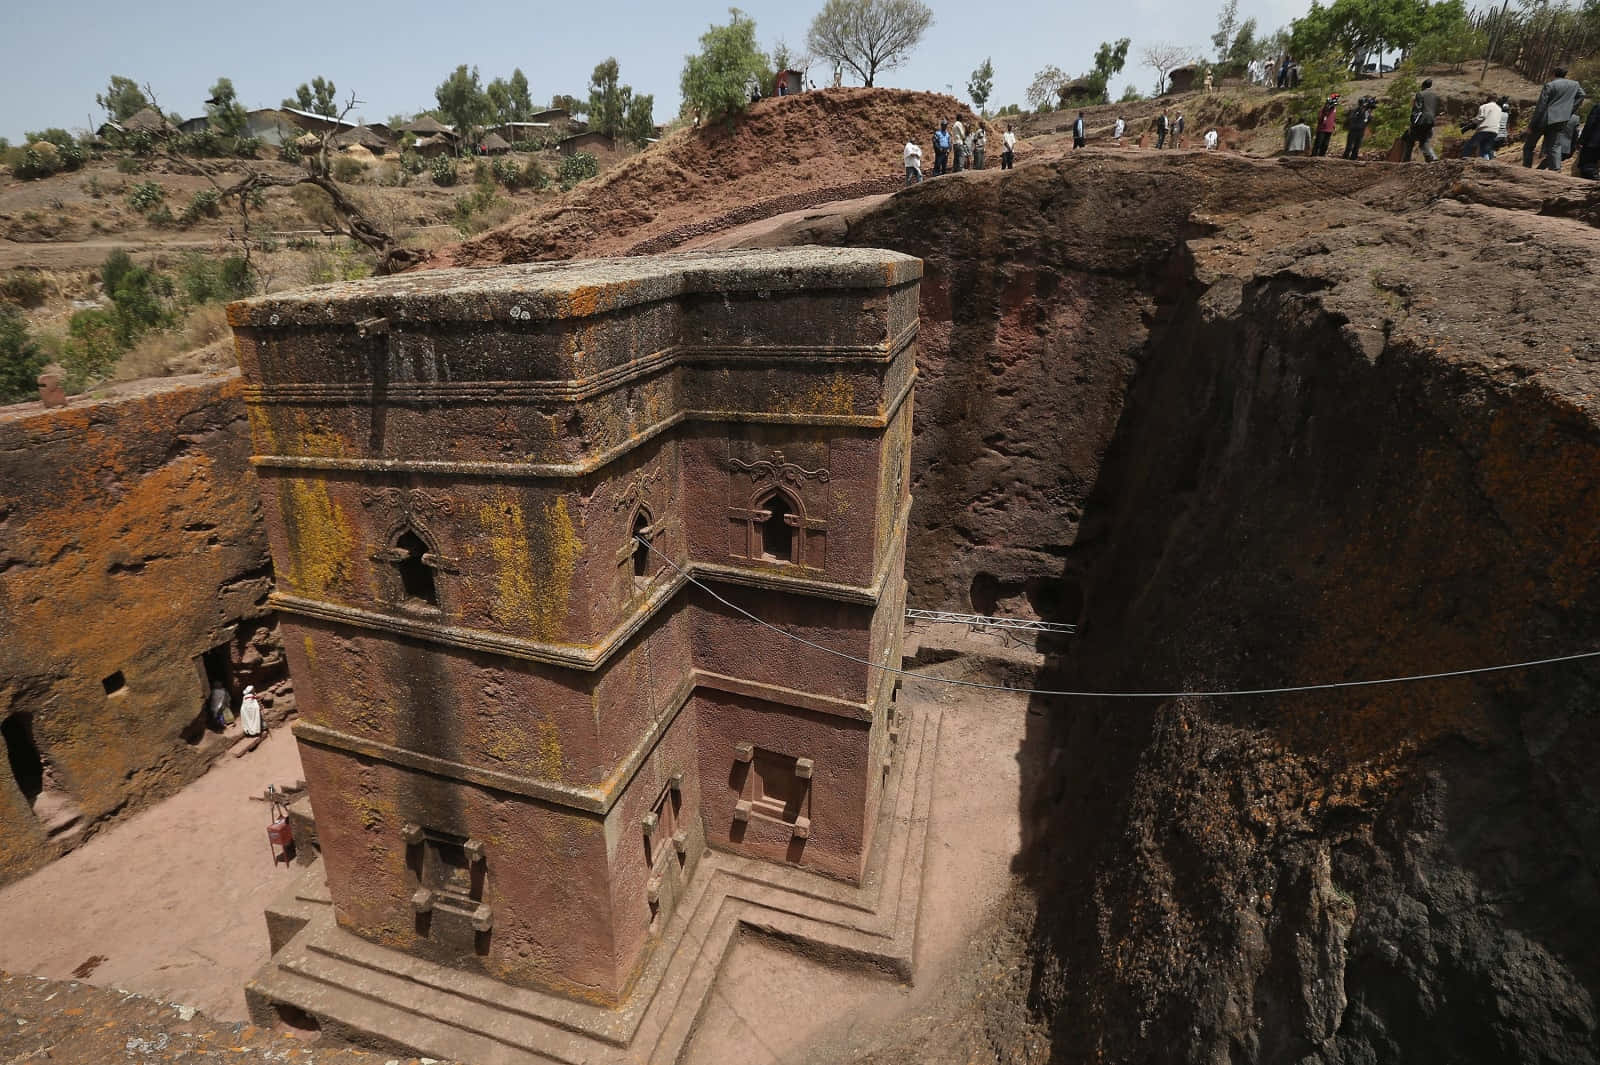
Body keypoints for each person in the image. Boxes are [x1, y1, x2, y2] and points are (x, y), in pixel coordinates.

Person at [1525, 66, 1586, 171]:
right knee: (1554, 146)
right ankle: (1556, 169)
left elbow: (1541, 107)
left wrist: (1531, 125)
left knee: (1529, 146)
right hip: (1560, 120)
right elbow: (1582, 95)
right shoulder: (1574, 85)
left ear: (1553, 73)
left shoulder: (1550, 85)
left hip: (1544, 119)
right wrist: (1570, 110)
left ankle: (1526, 169)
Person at [1403, 78, 1441, 162]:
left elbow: (1417, 109)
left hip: (1421, 121)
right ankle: (1431, 158)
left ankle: (1406, 161)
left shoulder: (1420, 94)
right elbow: (1436, 110)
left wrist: (1413, 122)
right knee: (1424, 141)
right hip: (1431, 121)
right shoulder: (1435, 96)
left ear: (1423, 86)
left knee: (1409, 138)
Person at [1463, 95, 1502, 159]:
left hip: (1484, 129)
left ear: (1487, 100)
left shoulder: (1484, 106)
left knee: (1469, 145)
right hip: (1495, 131)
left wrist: (1472, 121)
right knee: (1486, 149)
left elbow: (1481, 118)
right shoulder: (1499, 109)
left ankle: (1464, 160)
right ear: (1495, 100)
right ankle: (1489, 163)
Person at [1577, 102, 1600, 178]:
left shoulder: (1598, 106)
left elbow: (1590, 124)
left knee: (1588, 166)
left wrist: (1582, 140)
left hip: (1594, 142)